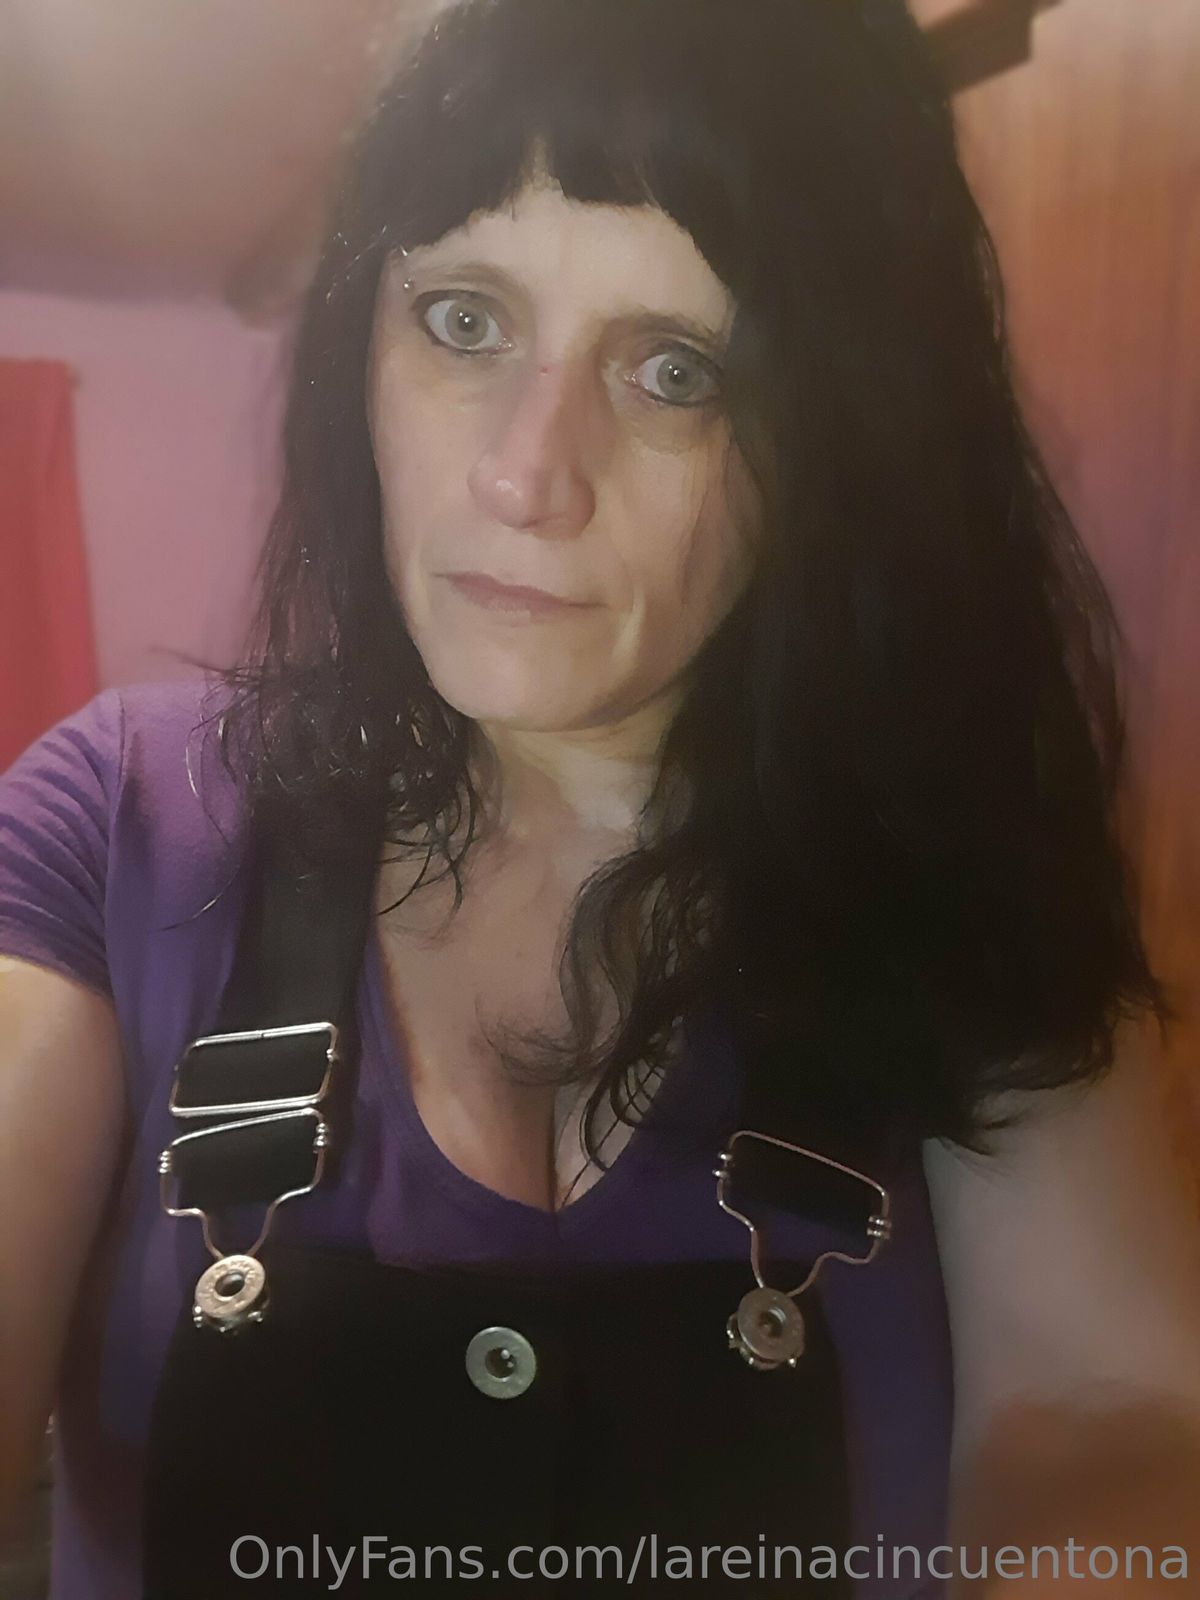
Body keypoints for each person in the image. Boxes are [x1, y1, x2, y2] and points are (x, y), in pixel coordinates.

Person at [2, 0, 1200, 1595]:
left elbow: (1104, 1413)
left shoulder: (971, 872)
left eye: (675, 369)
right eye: (465, 322)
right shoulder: (117, 824)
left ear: (843, 438)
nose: (526, 474)